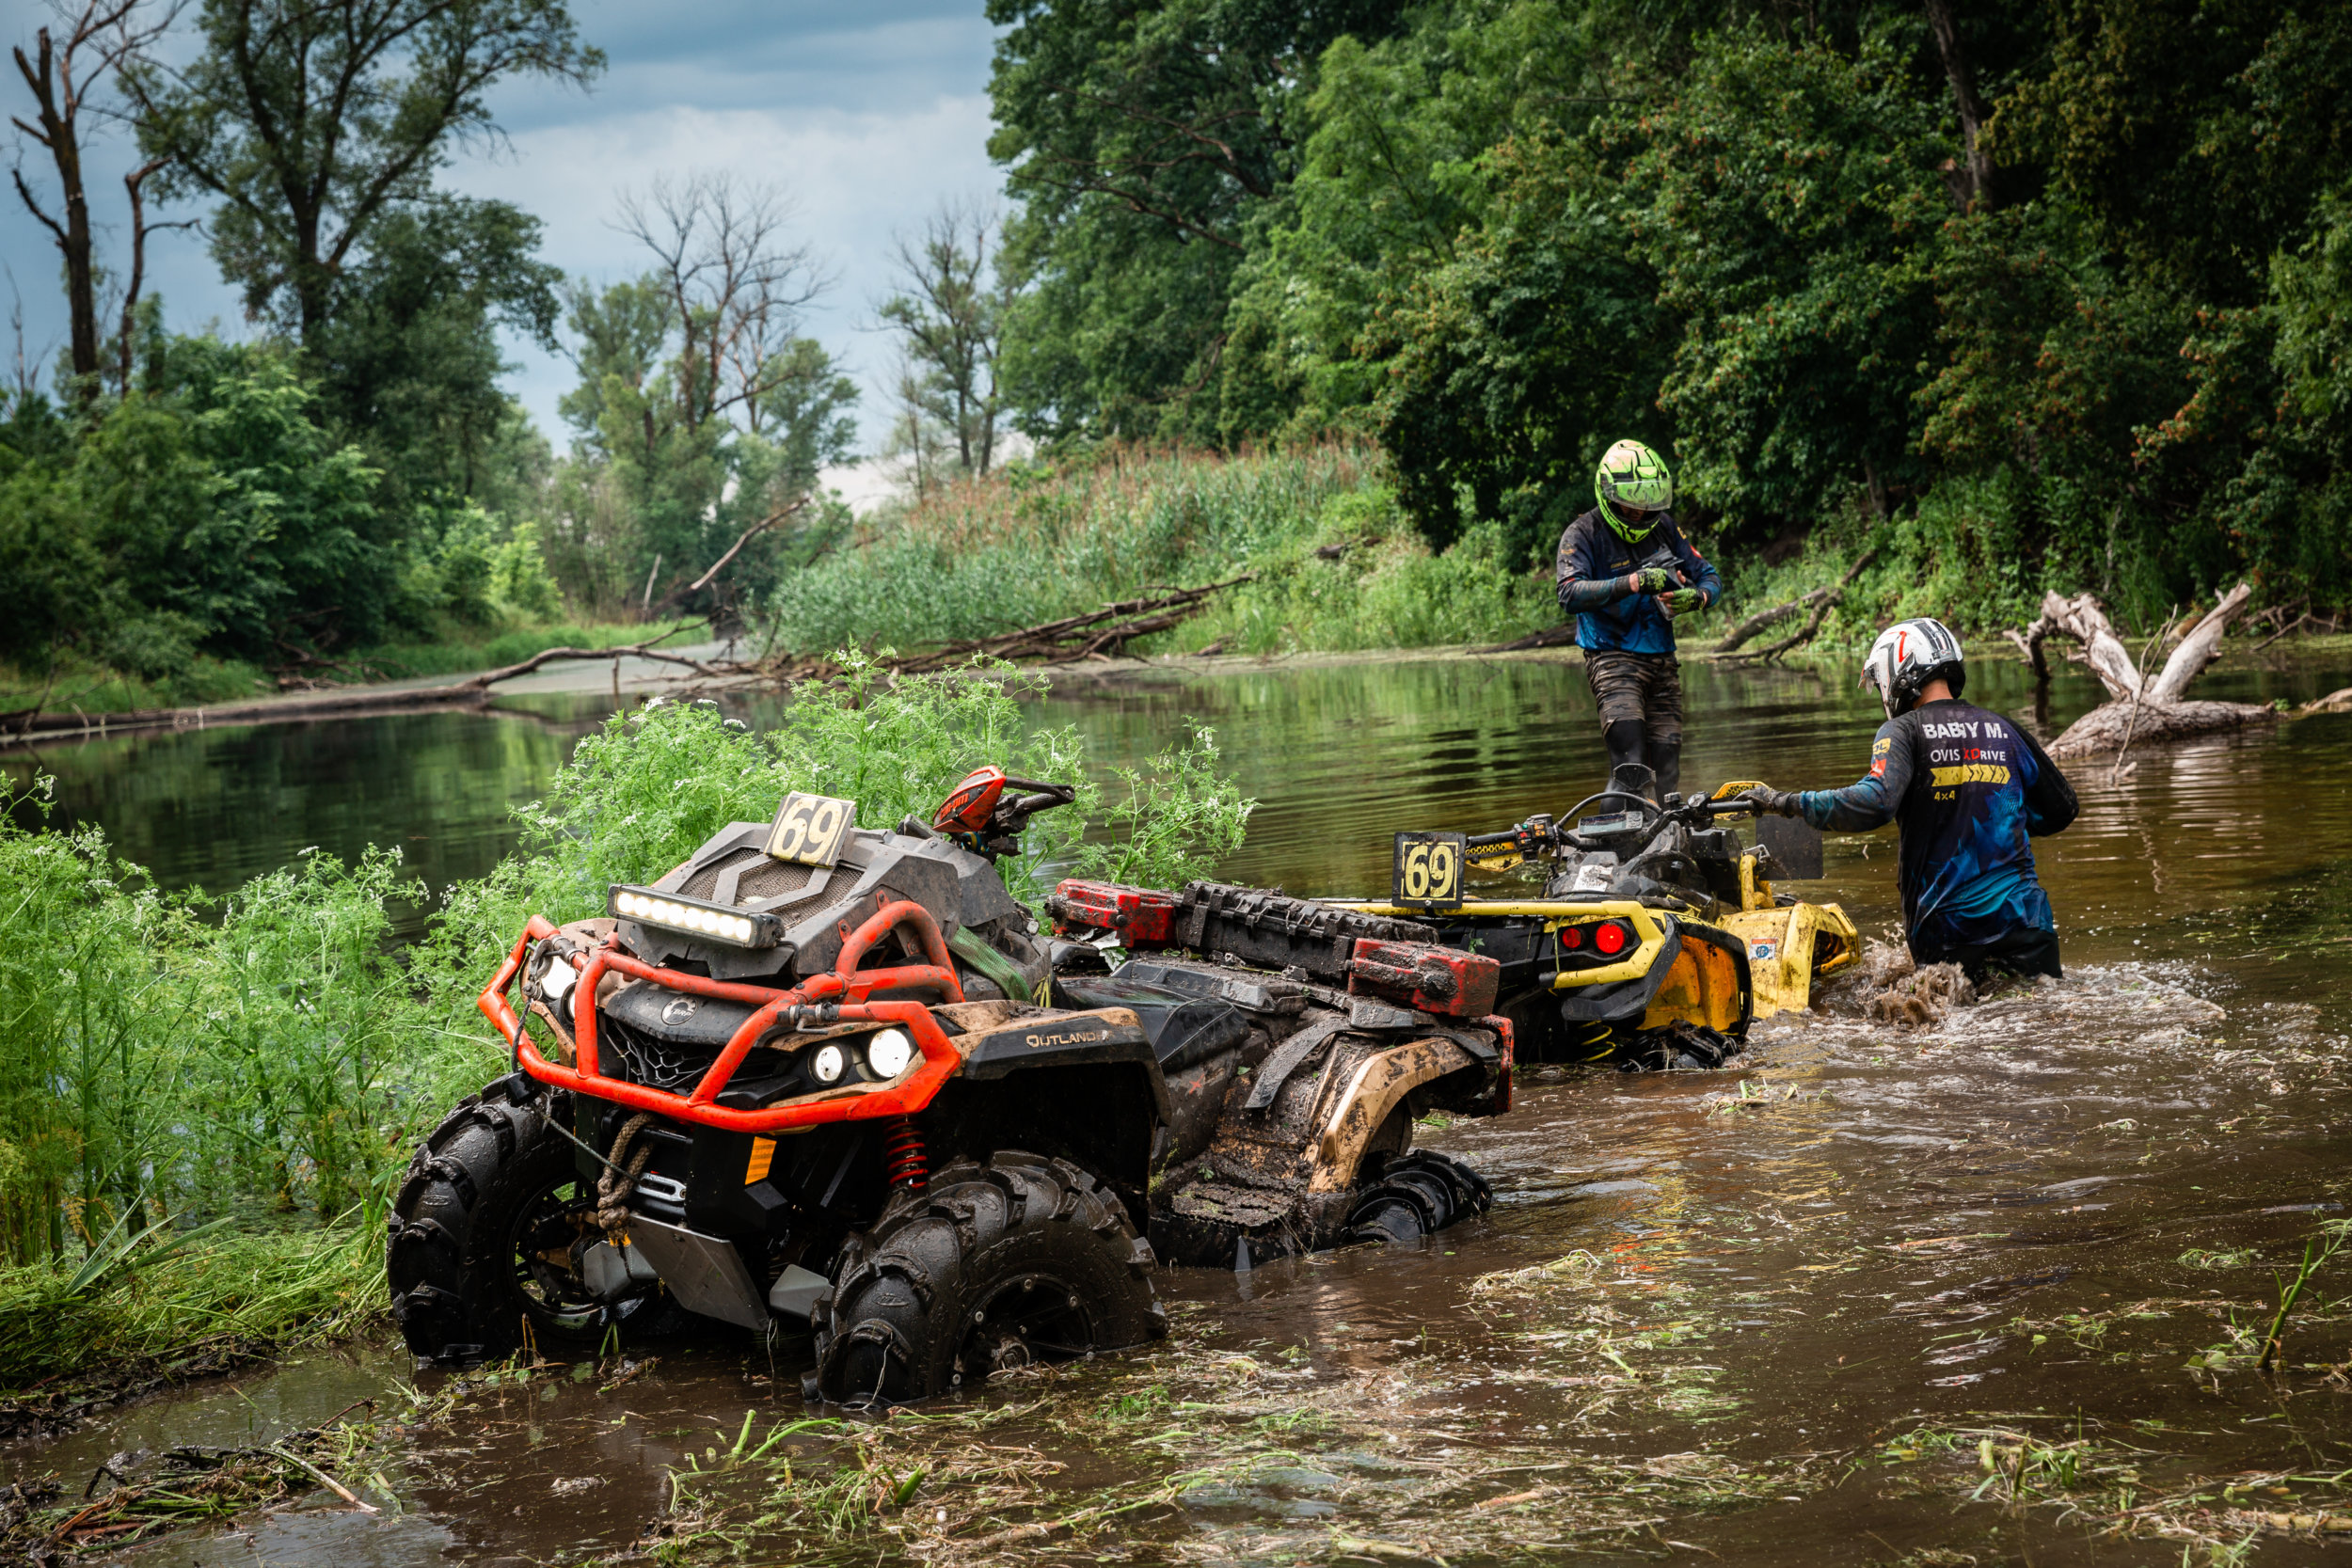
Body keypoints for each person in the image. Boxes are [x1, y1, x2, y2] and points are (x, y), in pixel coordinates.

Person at [1742, 617, 2078, 984]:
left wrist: (1784, 802)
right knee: (2034, 1015)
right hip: (2027, 920)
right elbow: (2062, 809)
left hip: (1950, 930)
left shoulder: (1904, 730)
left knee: (1957, 1030)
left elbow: (1874, 803)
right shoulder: (2005, 728)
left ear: (1897, 670)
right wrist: (1999, 815)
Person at [1555, 438, 1723, 796]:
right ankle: (1615, 845)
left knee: (1667, 770)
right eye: (1628, 507)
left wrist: (1696, 597)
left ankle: (1670, 840)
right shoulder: (1583, 533)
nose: (1637, 514)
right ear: (1608, 494)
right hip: (1612, 658)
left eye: (1644, 507)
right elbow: (1568, 592)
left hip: (1662, 662)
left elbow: (1710, 577)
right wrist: (1631, 582)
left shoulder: (1664, 527)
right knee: (1631, 767)